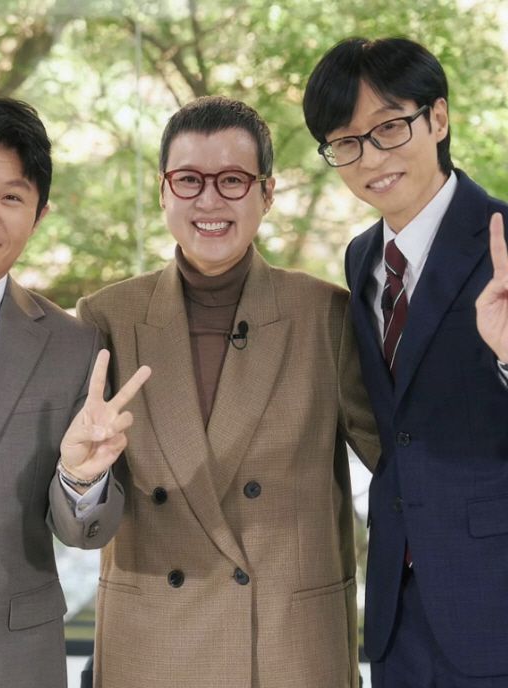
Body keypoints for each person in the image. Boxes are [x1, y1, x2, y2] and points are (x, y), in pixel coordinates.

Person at [78, 95, 379, 688]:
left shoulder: (325, 314)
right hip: (154, 645)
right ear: (163, 191)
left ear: (267, 193)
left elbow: (404, 464)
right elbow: (76, 522)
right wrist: (81, 480)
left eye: (233, 180)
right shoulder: (106, 317)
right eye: (189, 180)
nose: (210, 200)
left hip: (289, 646)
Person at [0, 97, 150, 688]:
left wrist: (81, 479)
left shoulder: (73, 345)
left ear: (39, 215)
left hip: (11, 657)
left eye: (12, 198)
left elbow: (84, 531)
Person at [303, 37, 508, 687]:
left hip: (495, 599)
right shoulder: (360, 257)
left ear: (438, 118)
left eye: (389, 127)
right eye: (345, 141)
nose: (370, 158)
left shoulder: (504, 243)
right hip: (396, 611)